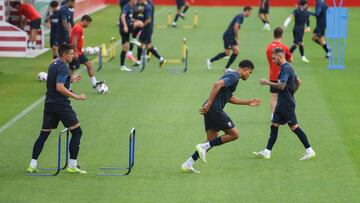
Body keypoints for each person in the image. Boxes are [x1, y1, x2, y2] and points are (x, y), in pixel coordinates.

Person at [181, 60, 261, 173]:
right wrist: (209, 103)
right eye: (250, 72)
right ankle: (203, 147)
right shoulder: (234, 76)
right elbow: (217, 84)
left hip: (210, 108)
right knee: (234, 134)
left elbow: (229, 98)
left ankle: (188, 163)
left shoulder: (232, 76)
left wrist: (248, 102)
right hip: (213, 108)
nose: (249, 75)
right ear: (245, 69)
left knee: (212, 140)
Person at [27, 44, 87, 174]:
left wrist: (70, 80)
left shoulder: (54, 64)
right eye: (71, 53)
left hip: (49, 103)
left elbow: (56, 82)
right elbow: (59, 87)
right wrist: (76, 96)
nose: (73, 55)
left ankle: (32, 164)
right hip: (61, 104)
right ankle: (72, 165)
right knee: (77, 132)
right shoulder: (63, 67)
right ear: (64, 55)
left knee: (44, 134)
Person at [253, 47, 316, 160]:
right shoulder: (287, 67)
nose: (273, 61)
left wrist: (267, 82)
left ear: (280, 56)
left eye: (274, 58)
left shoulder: (286, 68)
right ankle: (267, 152)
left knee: (294, 127)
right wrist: (291, 94)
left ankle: (309, 150)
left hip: (286, 104)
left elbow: (281, 85)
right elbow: (298, 81)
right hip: (282, 103)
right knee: (274, 126)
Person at [207, 7, 253, 72]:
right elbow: (235, 26)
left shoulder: (241, 16)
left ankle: (227, 68)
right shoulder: (241, 16)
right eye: (250, 12)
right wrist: (237, 38)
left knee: (236, 51)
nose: (251, 14)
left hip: (231, 36)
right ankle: (210, 60)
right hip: (228, 36)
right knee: (227, 53)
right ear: (247, 11)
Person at [69, 15, 104, 89]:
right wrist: (75, 52)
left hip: (79, 52)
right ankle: (68, 87)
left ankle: (94, 83)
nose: (89, 25)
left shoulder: (79, 27)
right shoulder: (78, 28)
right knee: (72, 70)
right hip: (75, 53)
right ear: (85, 21)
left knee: (89, 64)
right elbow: (74, 41)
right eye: (89, 23)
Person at [265, 27, 292, 119]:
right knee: (286, 95)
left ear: (273, 34)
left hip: (273, 75)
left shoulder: (268, 47)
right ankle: (286, 114)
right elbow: (290, 59)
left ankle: (273, 116)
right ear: (282, 35)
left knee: (274, 96)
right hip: (284, 75)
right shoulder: (284, 48)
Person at [135, 0, 165, 67]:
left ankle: (138, 61)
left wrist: (142, 25)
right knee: (147, 46)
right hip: (148, 28)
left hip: (147, 29)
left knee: (142, 44)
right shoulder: (146, 6)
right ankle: (160, 59)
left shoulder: (148, 7)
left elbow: (149, 19)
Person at [119, 0, 144, 71]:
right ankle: (133, 38)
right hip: (125, 27)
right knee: (140, 23)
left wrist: (133, 20)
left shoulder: (133, 7)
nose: (136, 1)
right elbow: (123, 16)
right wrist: (125, 26)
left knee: (125, 47)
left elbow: (129, 17)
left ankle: (122, 66)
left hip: (128, 25)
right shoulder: (126, 7)